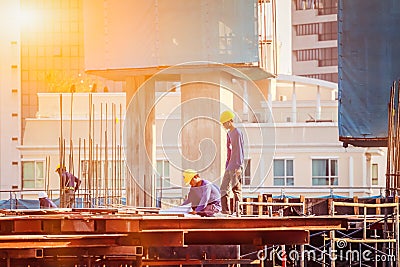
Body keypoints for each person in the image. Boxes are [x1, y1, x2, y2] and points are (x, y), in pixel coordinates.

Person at [220, 110, 244, 215]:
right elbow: (229, 151)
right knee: (223, 188)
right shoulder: (229, 134)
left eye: (225, 123)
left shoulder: (237, 133)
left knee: (236, 189)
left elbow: (239, 150)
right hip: (229, 166)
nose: (224, 125)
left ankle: (238, 211)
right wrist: (227, 165)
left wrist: (238, 166)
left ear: (230, 121)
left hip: (236, 165)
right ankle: (225, 211)